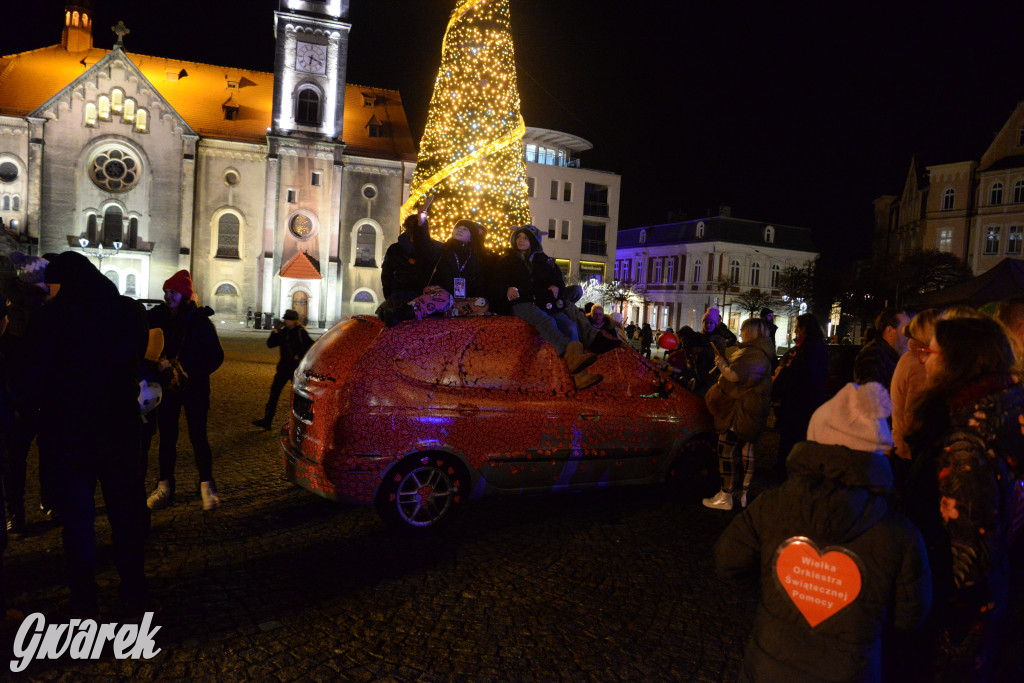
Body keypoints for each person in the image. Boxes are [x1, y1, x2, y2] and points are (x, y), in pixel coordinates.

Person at [714, 381, 932, 682]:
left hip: (767, 669)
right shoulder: (901, 534)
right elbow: (910, 617)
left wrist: (779, 580)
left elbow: (727, 561)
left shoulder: (770, 506)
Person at [24, 252, 152, 618]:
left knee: (78, 521)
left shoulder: (50, 319)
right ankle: (135, 594)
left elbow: (31, 377)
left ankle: (83, 599)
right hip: (119, 430)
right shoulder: (128, 312)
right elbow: (135, 358)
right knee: (126, 517)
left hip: (69, 435)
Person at [901, 316, 1024, 680]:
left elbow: (967, 559)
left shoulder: (965, 442)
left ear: (958, 361)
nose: (924, 359)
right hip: (1001, 600)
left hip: (957, 618)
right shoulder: (1003, 408)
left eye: (931, 351)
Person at [147, 270, 225, 511]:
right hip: (167, 388)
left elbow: (216, 356)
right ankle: (165, 486)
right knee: (167, 439)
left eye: (175, 292)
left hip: (195, 388)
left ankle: (206, 486)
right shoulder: (158, 317)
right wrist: (157, 361)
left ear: (185, 295)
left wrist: (188, 369)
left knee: (198, 437)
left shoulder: (200, 321)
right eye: (167, 292)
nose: (169, 296)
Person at [495, 226, 601, 390]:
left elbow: (558, 279)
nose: (521, 240)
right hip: (520, 303)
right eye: (518, 237)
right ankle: (573, 361)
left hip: (543, 301)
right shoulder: (506, 260)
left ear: (532, 241)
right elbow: (496, 282)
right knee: (546, 320)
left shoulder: (544, 260)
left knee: (570, 325)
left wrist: (556, 286)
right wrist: (506, 289)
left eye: (525, 237)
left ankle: (581, 376)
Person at [1, 253, 57, 536]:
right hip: (25, 393)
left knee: (20, 455)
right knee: (26, 453)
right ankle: (30, 507)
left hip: (25, 393)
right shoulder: (32, 310)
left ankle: (18, 512)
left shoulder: (27, 306)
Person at [702, 318, 775, 510]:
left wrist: (721, 364)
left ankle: (726, 496)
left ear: (751, 333)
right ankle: (741, 494)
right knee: (746, 451)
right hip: (751, 410)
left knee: (726, 451)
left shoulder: (753, 354)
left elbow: (734, 376)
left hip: (740, 411)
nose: (740, 333)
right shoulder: (761, 353)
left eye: (743, 330)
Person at [771, 313, 828, 480]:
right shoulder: (805, 347)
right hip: (797, 403)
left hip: (800, 404)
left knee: (794, 439)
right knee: (790, 438)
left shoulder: (811, 349)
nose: (795, 330)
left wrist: (785, 372)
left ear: (806, 329)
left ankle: (788, 471)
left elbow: (804, 374)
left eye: (798, 327)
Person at [378, 211, 444, 326]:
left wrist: (391, 296)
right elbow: (387, 276)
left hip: (404, 298)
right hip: (424, 300)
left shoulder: (395, 249)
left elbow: (386, 277)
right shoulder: (437, 248)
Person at [253, 309, 314, 431]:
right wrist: (275, 332)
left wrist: (299, 355)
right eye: (285, 319)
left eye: (288, 319)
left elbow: (311, 347)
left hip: (296, 370)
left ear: (294, 321)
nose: (286, 321)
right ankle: (267, 420)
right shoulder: (284, 332)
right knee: (274, 394)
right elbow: (270, 344)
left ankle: (302, 423)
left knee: (299, 397)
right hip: (283, 368)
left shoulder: (301, 333)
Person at [890, 309, 937, 462]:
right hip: (912, 454)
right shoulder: (920, 364)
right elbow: (914, 417)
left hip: (904, 447)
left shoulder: (909, 358)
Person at [853, 308, 910, 391]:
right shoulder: (871, 357)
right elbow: (873, 397)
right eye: (906, 330)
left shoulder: (891, 355)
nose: (909, 337)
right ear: (889, 331)